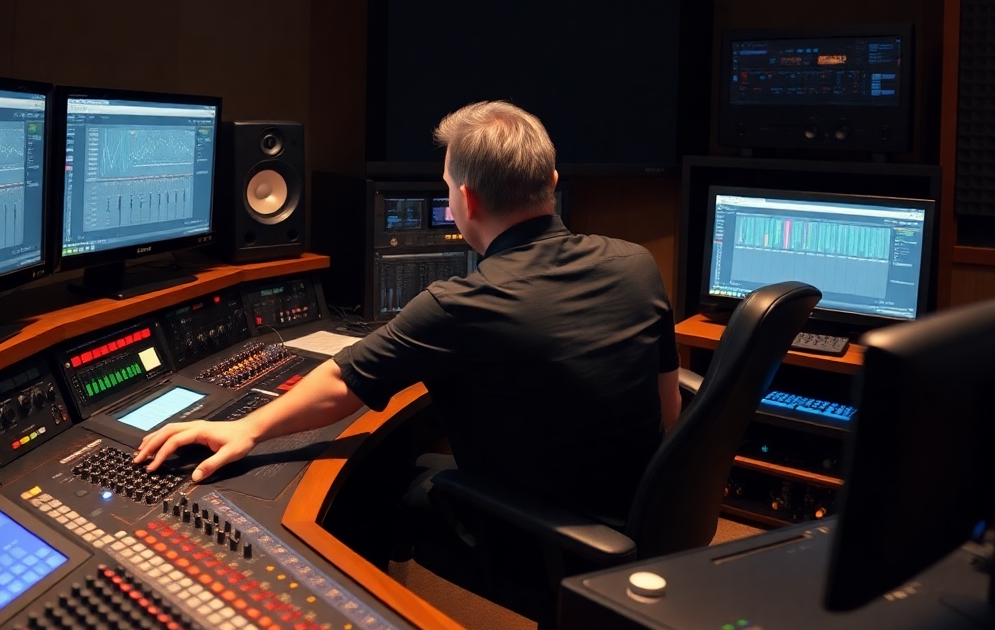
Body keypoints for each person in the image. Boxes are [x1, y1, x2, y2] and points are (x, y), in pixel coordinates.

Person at [135, 101, 679, 523]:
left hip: (538, 530)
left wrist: (247, 430)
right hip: (643, 503)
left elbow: (340, 383)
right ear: (552, 185)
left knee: (379, 477)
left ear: (465, 202)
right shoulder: (636, 263)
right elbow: (668, 405)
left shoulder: (460, 304)